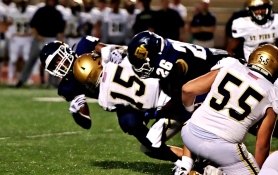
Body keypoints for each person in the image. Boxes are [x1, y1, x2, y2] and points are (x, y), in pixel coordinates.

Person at [39, 37, 184, 168]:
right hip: (122, 101)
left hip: (136, 76)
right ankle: (182, 160)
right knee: (133, 127)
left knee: (169, 91)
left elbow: (119, 50)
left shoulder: (85, 46)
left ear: (65, 49)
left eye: (58, 58)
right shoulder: (67, 87)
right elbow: (87, 123)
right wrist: (77, 114)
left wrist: (119, 53)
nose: (59, 64)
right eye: (54, 64)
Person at [180, 44, 278, 174]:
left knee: (199, 111)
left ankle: (184, 167)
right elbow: (261, 146)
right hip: (223, 149)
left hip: (189, 135)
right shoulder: (273, 95)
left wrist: (190, 110)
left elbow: (187, 89)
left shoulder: (230, 64)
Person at [226, 0, 278, 120]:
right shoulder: (243, 24)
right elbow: (230, 49)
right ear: (250, 10)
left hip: (271, 69)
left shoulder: (276, 21)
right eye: (256, 9)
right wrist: (238, 66)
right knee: (245, 101)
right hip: (252, 70)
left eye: (262, 8)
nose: (260, 12)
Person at [15, 0, 65, 87]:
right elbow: (33, 24)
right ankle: (22, 80)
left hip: (52, 39)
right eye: (49, 0)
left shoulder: (57, 13)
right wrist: (37, 35)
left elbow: (61, 29)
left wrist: (59, 40)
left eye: (52, 1)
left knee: (52, 61)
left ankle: (53, 82)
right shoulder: (41, 11)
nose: (51, 2)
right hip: (39, 38)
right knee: (31, 59)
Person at [6, 0, 37, 85]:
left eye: (23, 3)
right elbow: (8, 24)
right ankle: (10, 78)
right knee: (13, 59)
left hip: (27, 37)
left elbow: (35, 24)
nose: (21, 5)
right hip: (16, 37)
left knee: (27, 59)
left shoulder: (32, 11)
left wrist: (33, 34)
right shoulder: (12, 12)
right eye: (19, 3)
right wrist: (9, 35)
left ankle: (27, 78)